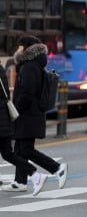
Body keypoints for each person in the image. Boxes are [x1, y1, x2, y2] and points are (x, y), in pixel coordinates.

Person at [1, 36, 67, 192]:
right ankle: (20, 181)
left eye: (19, 46)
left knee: (26, 149)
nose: (17, 50)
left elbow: (27, 93)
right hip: (31, 114)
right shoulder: (33, 64)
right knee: (19, 148)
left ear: (26, 48)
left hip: (27, 115)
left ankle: (57, 168)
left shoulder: (29, 67)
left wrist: (16, 108)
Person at [0, 62, 48, 196]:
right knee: (8, 154)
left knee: (8, 154)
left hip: (1, 120)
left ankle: (35, 174)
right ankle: (35, 174)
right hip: (4, 119)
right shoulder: (1, 70)